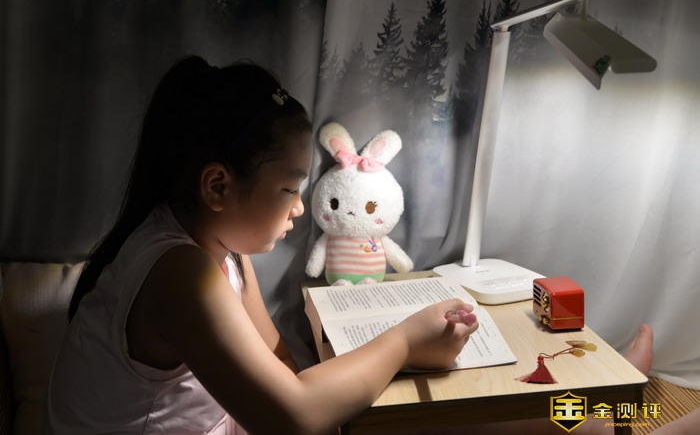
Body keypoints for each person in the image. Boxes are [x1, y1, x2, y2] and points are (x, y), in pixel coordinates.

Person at [43, 56, 478, 435]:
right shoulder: (179, 272)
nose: (299, 208)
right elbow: (292, 418)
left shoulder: (223, 249)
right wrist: (405, 342)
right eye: (289, 189)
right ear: (218, 187)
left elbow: (278, 358)